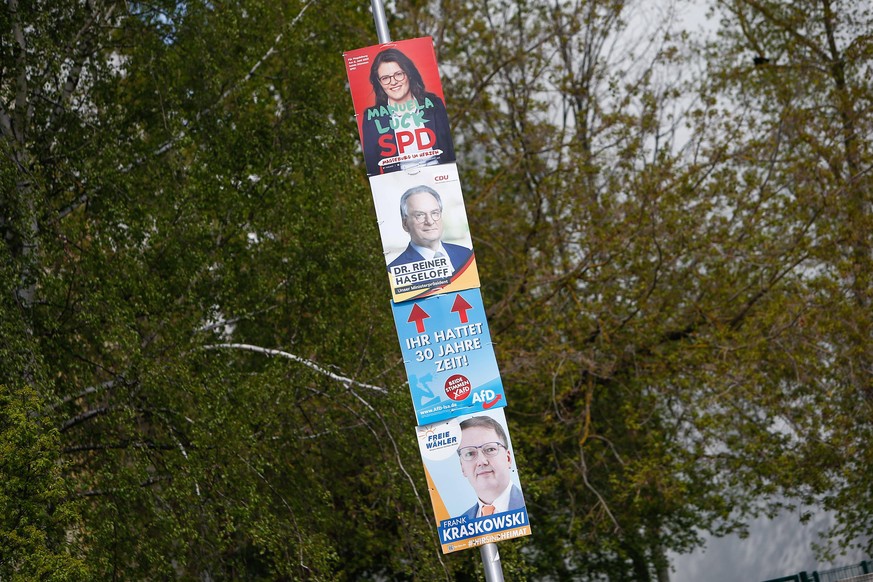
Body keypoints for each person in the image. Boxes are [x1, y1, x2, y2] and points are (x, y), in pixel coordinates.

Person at [362, 48, 455, 175]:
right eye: (385, 78)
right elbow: (373, 171)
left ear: (409, 74)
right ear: (379, 82)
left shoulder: (434, 105)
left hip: (439, 180)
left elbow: (449, 152)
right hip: (398, 187)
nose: (393, 82)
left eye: (399, 74)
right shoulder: (372, 119)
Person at [386, 185, 472, 275]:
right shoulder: (394, 272)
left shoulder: (466, 254)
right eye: (420, 215)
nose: (430, 221)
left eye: (435, 213)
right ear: (405, 224)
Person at [456, 416, 525, 520]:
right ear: (462, 467)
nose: (481, 462)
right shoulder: (460, 527)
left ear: (508, 458)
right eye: (470, 453)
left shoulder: (530, 507)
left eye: (490, 449)